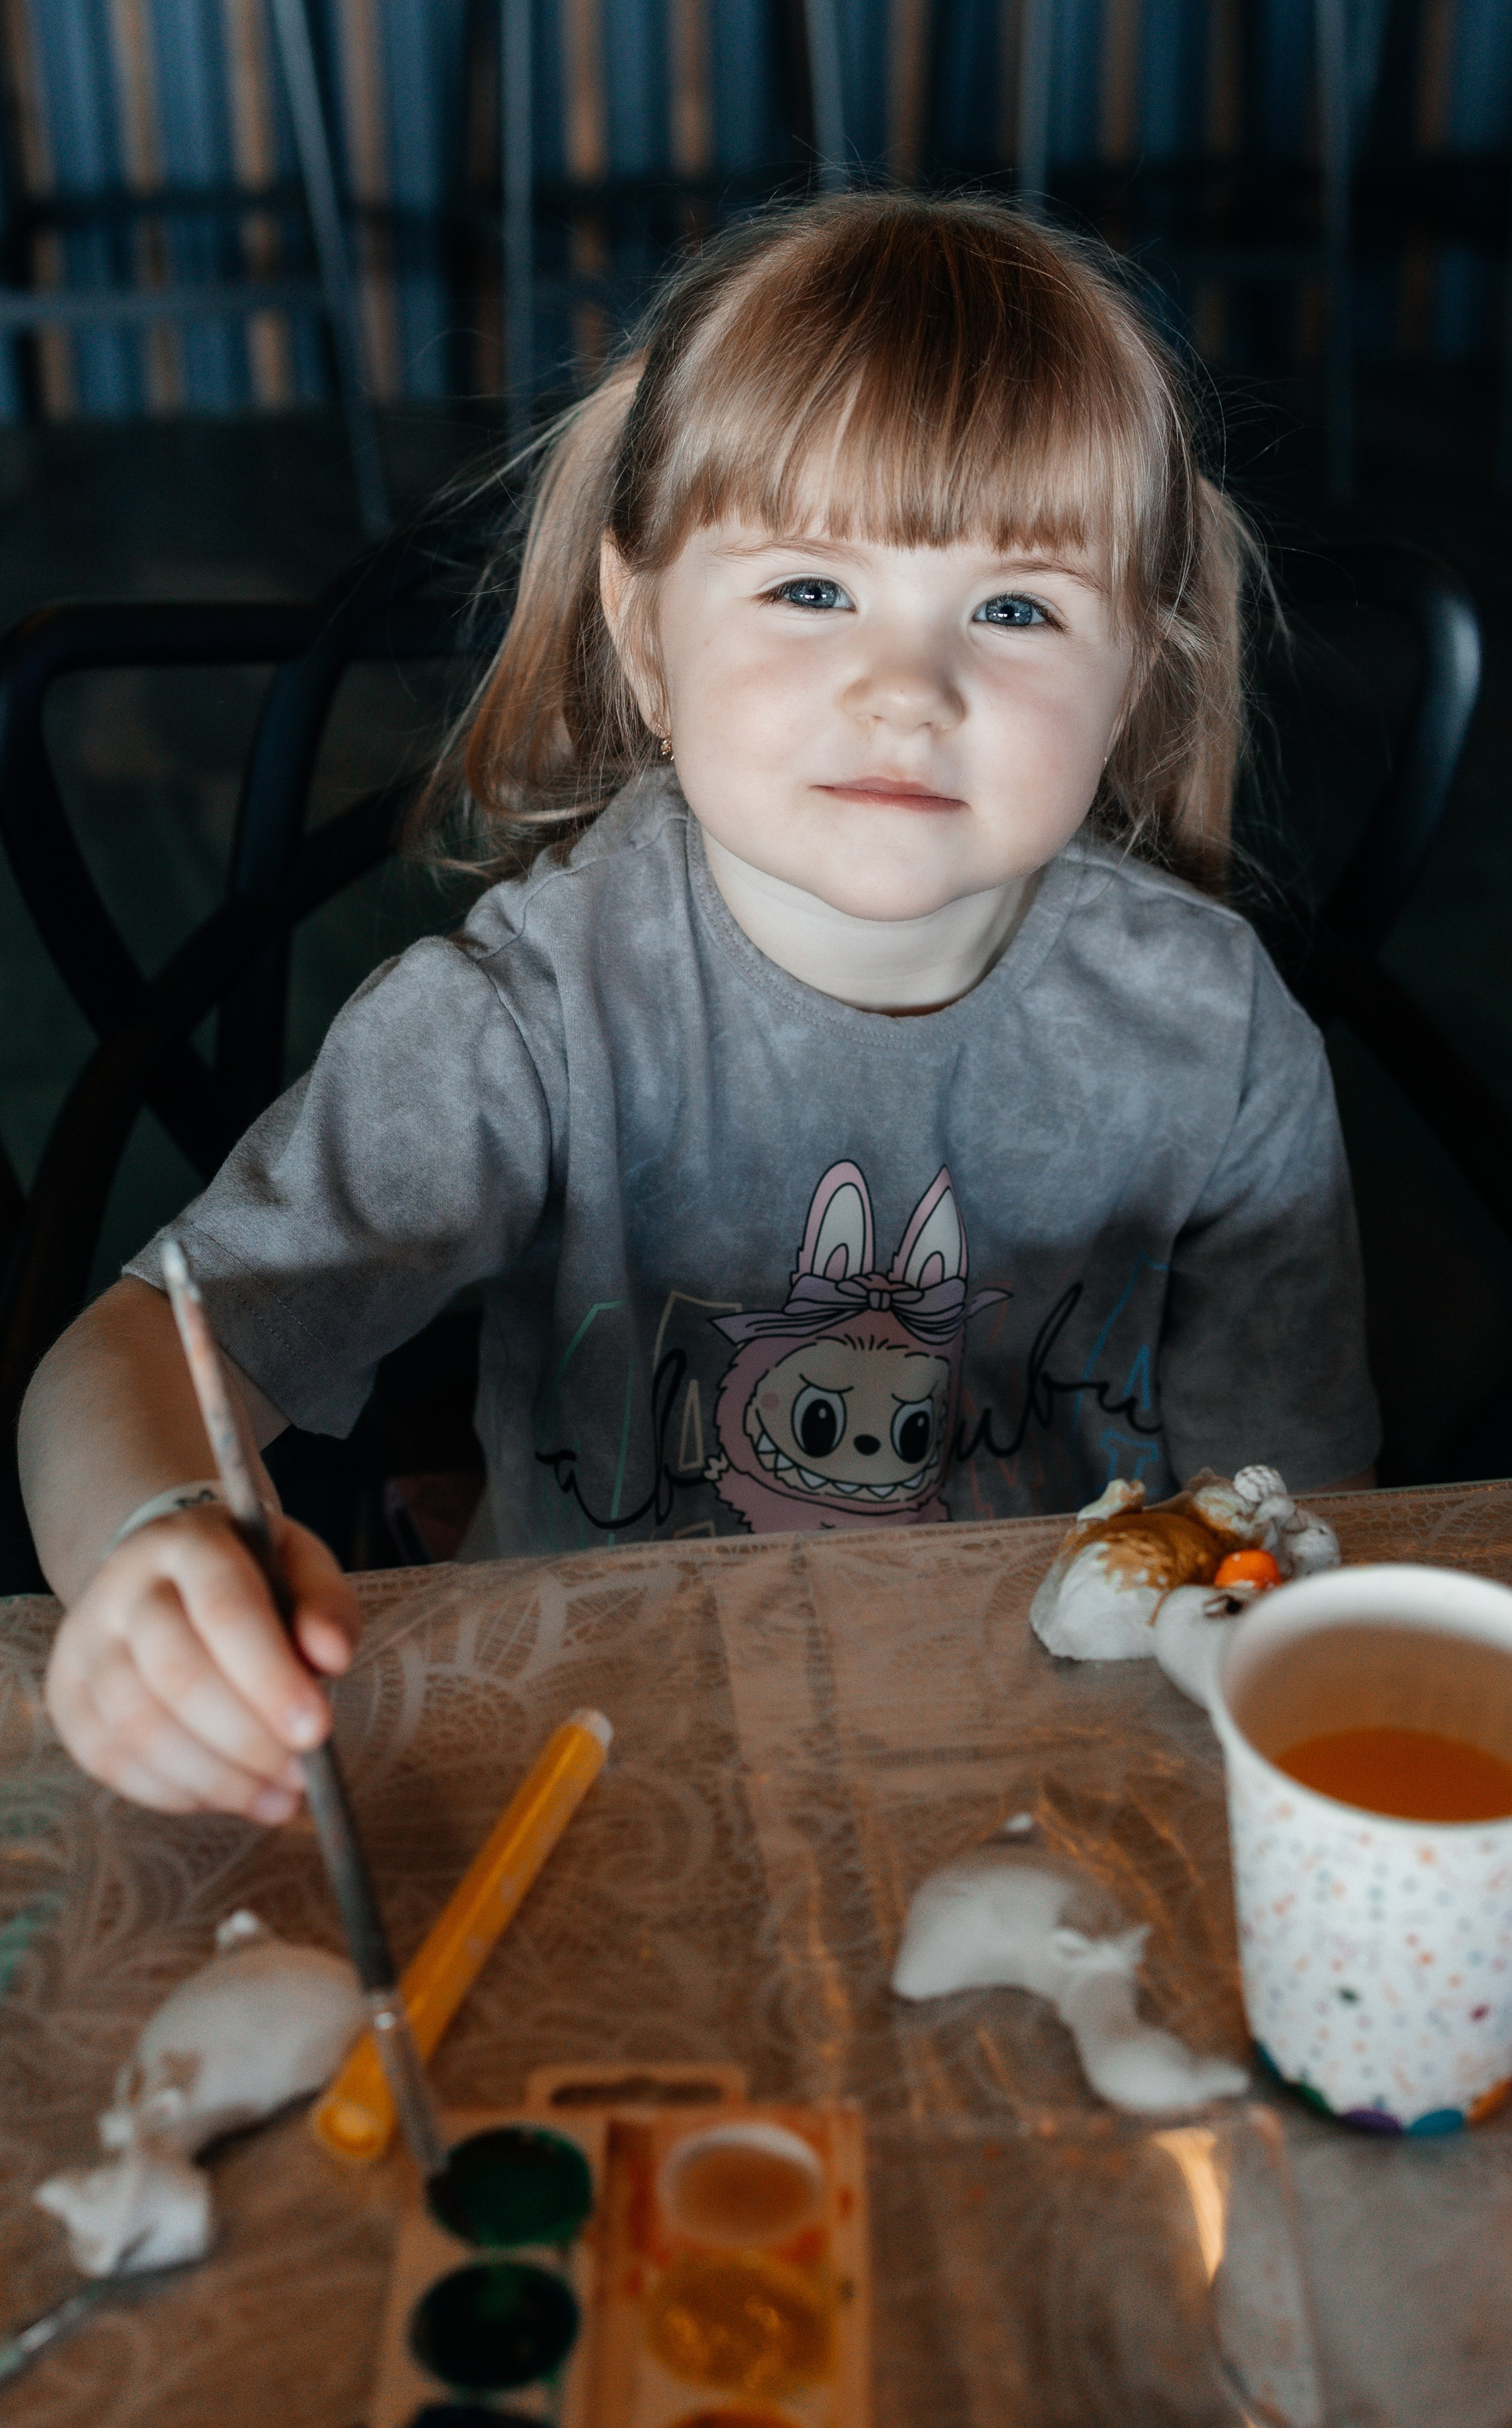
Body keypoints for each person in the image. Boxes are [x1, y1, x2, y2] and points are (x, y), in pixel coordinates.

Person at [18, 191, 1379, 1825]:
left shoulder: (1212, 1031)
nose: (906, 685)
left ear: (1134, 678)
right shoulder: (527, 1020)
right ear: (642, 635)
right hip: (596, 1752)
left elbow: (1290, 1511)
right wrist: (153, 1539)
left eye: (1013, 610)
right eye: (809, 588)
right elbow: (141, 1353)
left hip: (1054, 1759)